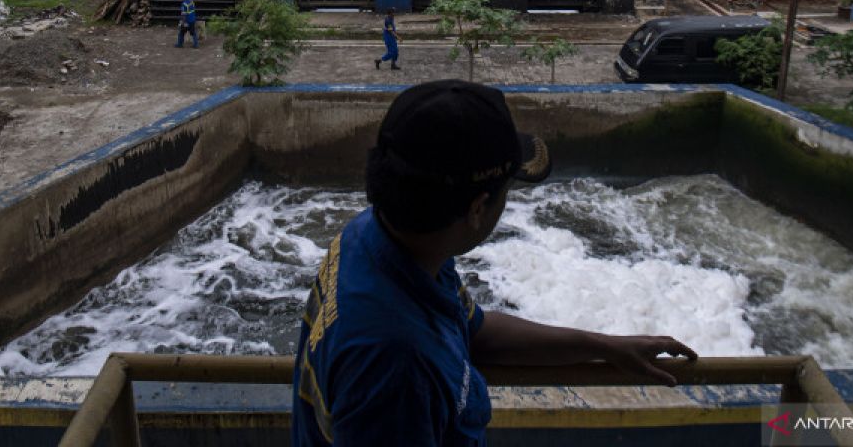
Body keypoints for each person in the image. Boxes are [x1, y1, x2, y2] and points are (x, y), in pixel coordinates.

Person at [291, 79, 697, 446]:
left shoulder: (378, 236)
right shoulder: (396, 366)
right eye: (507, 191)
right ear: (478, 207)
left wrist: (604, 347)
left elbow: (474, 330)